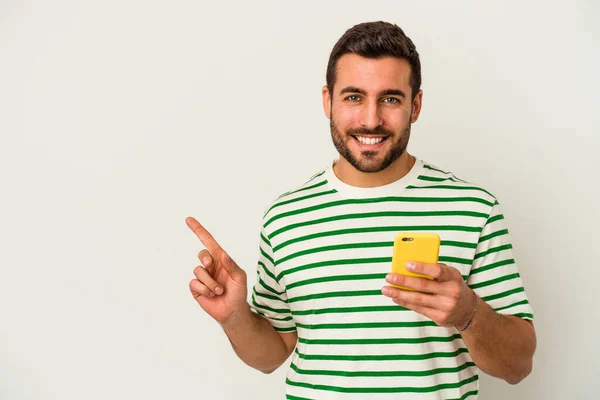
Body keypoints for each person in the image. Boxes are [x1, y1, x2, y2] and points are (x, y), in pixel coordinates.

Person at [186, 21, 536, 399]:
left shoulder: (473, 209)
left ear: (415, 105)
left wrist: (469, 314)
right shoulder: (286, 217)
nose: (371, 119)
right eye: (354, 97)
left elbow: (518, 366)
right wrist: (234, 316)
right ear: (328, 101)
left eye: (390, 99)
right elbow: (271, 356)